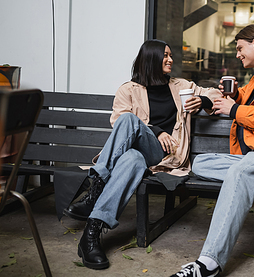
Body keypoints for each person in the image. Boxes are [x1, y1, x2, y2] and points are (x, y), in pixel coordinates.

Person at [63, 40, 222, 270]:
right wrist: (156, 132)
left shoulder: (181, 86)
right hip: (139, 153)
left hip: (167, 155)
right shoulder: (128, 90)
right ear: (151, 59)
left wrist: (204, 100)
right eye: (165, 56)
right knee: (131, 158)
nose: (170, 60)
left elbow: (217, 94)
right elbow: (119, 123)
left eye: (170, 55)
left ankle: (94, 190)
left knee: (130, 124)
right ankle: (91, 234)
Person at [169, 25, 254, 277]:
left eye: (240, 48)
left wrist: (233, 110)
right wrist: (211, 100)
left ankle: (208, 263)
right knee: (199, 163)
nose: (237, 54)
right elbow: (237, 97)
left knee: (241, 172)